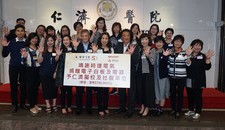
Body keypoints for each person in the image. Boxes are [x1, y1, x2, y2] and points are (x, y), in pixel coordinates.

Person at [1, 24, 28, 113]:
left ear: (24, 32)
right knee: (13, 86)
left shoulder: (27, 42)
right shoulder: (12, 41)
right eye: (18, 31)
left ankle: (22, 104)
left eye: (22, 31)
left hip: (24, 67)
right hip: (13, 67)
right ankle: (14, 104)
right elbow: (4, 55)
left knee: (24, 86)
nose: (20, 32)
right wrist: (4, 46)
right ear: (15, 32)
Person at [184, 39, 214, 119]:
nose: (197, 47)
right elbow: (187, 66)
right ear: (192, 46)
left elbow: (207, 67)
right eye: (196, 45)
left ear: (201, 47)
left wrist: (207, 59)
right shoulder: (187, 54)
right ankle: (191, 110)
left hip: (199, 80)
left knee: (198, 96)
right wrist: (188, 56)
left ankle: (198, 111)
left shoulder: (203, 56)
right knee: (190, 96)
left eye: (199, 45)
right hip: (189, 79)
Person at [114, 29, 140, 118]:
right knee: (121, 91)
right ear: (121, 37)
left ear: (130, 37)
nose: (126, 37)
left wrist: (131, 54)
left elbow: (137, 61)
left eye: (128, 35)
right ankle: (122, 108)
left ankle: (130, 109)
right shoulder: (118, 46)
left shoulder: (134, 46)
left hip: (131, 72)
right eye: (124, 35)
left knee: (131, 92)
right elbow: (115, 59)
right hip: (120, 73)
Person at [37, 35, 62, 113]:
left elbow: (56, 60)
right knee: (45, 89)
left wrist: (58, 54)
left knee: (54, 89)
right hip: (44, 73)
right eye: (48, 41)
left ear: (54, 41)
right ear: (46, 42)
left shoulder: (56, 50)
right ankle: (47, 105)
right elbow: (39, 61)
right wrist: (40, 53)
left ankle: (54, 104)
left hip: (53, 73)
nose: (50, 42)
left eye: (51, 40)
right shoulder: (42, 50)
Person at [72, 29, 93, 115]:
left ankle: (88, 108)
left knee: (89, 90)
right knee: (79, 90)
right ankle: (79, 108)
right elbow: (72, 57)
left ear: (89, 37)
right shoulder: (76, 45)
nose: (85, 37)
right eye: (83, 36)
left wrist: (94, 52)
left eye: (86, 36)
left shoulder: (93, 45)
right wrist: (75, 48)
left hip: (90, 71)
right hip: (80, 71)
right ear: (80, 37)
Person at [91, 32, 112, 118]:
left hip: (107, 73)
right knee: (100, 91)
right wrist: (94, 52)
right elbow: (92, 60)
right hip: (99, 73)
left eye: (106, 38)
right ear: (100, 39)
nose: (104, 40)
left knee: (106, 91)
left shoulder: (111, 49)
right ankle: (100, 108)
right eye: (103, 38)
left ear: (108, 40)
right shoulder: (96, 48)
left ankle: (105, 107)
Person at [21, 32, 42, 114]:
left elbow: (38, 61)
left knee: (36, 87)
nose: (34, 40)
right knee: (30, 88)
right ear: (29, 39)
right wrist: (24, 57)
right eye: (33, 38)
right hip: (29, 70)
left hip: (37, 69)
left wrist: (40, 52)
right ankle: (31, 106)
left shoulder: (38, 48)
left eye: (36, 38)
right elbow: (22, 62)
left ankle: (35, 104)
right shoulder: (25, 49)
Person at [168, 35, 188, 119]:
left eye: (179, 41)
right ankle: (173, 109)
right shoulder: (170, 52)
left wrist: (189, 56)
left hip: (181, 77)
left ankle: (178, 111)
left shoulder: (185, 53)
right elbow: (168, 63)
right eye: (176, 41)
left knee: (180, 94)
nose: (177, 42)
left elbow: (188, 64)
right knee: (172, 94)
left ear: (182, 43)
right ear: (173, 42)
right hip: (171, 76)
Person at [136, 33, 155, 118]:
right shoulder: (139, 49)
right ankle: (142, 106)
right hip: (139, 73)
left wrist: (148, 55)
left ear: (149, 40)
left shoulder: (152, 49)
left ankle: (147, 108)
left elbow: (153, 62)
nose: (144, 41)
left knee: (147, 91)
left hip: (148, 73)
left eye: (146, 39)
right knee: (140, 90)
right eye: (142, 39)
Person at [55, 35, 75, 114]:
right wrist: (58, 54)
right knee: (63, 91)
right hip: (62, 72)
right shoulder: (60, 50)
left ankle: (69, 106)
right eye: (64, 40)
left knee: (70, 91)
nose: (66, 41)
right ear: (62, 42)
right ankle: (63, 107)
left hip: (70, 72)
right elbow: (56, 60)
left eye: (67, 40)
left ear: (70, 41)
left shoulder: (73, 49)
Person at [153, 36, 170, 117]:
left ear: (163, 43)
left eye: (160, 42)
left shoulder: (166, 51)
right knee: (156, 91)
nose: (158, 44)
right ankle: (157, 108)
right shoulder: (154, 51)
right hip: (155, 76)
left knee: (162, 92)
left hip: (163, 76)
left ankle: (160, 109)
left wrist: (165, 56)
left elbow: (167, 64)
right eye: (157, 42)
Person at [109, 22, 122, 95]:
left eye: (117, 27)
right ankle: (114, 89)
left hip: (120, 57)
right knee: (113, 73)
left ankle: (120, 90)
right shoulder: (110, 37)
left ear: (120, 28)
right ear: (112, 28)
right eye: (115, 27)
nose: (116, 29)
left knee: (119, 73)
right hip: (113, 57)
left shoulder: (122, 37)